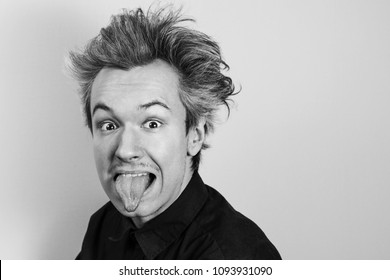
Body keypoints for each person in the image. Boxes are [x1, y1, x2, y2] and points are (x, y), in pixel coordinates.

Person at [68, 6, 281, 260]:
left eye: (152, 123)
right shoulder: (104, 226)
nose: (125, 150)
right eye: (109, 125)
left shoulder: (232, 258)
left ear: (195, 135)